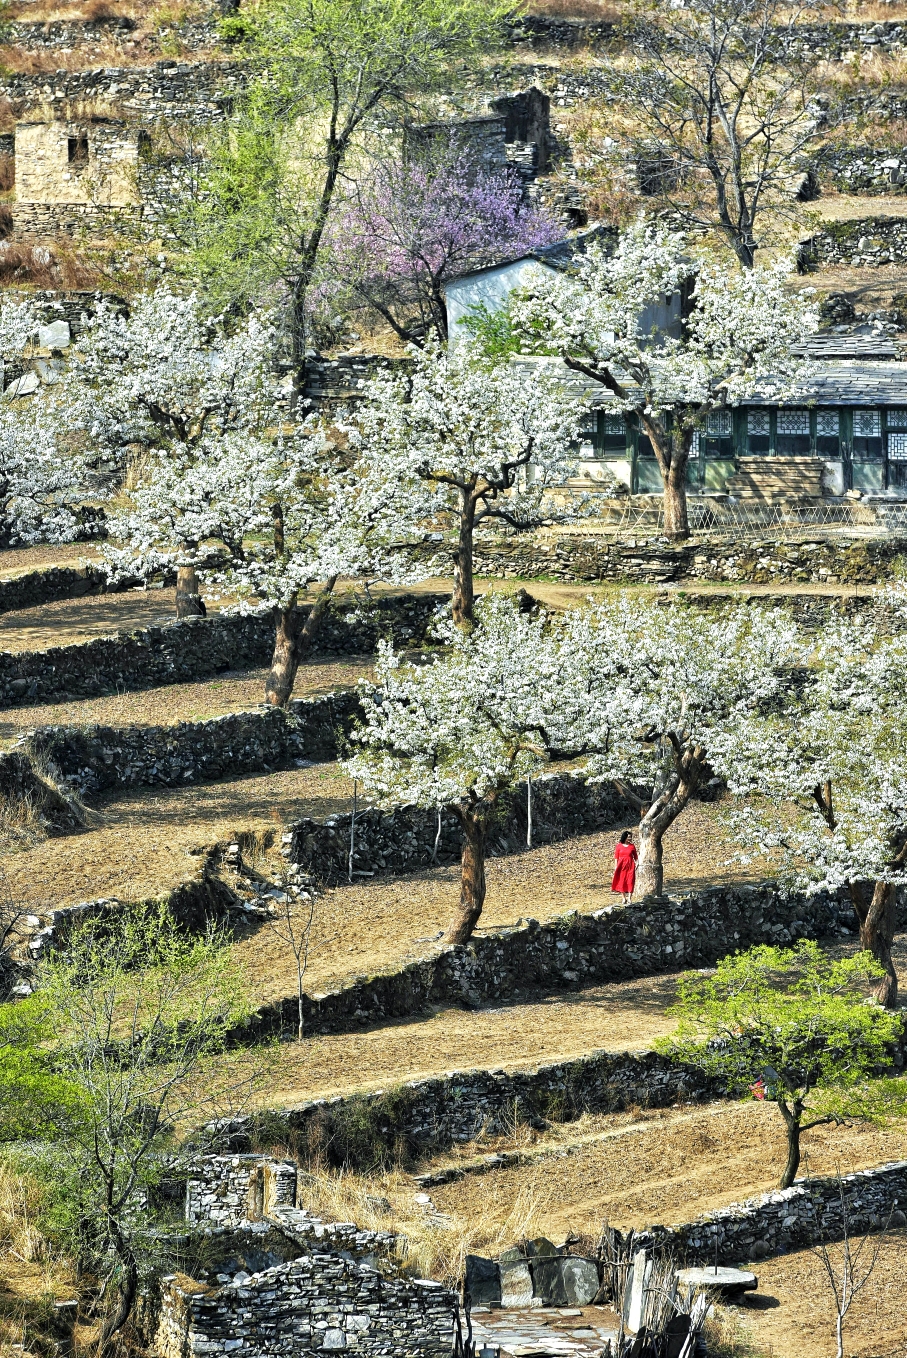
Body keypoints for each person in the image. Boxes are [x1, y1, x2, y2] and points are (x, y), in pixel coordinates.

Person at [611, 829, 637, 905]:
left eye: (631, 837)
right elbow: (616, 857)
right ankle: (623, 898)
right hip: (621, 866)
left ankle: (629, 898)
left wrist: (637, 864)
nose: (630, 839)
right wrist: (616, 866)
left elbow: (635, 857)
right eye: (628, 837)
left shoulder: (632, 846)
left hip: (630, 866)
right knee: (622, 881)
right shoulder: (619, 846)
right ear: (624, 837)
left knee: (630, 881)